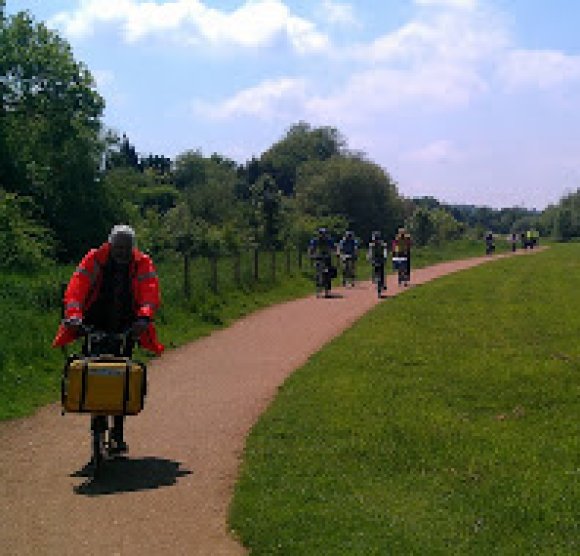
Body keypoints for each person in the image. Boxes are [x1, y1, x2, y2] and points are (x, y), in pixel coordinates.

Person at [53, 224, 164, 456]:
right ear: (110, 245)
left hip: (127, 326)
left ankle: (118, 432)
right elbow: (76, 289)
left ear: (132, 248)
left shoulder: (142, 263)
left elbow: (149, 292)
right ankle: (98, 421)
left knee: (122, 375)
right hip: (93, 324)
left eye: (126, 247)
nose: (122, 251)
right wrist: (73, 317)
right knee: (93, 371)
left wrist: (144, 318)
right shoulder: (94, 259)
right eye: (118, 247)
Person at [308, 227, 336, 292]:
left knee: (329, 270)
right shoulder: (315, 240)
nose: (322, 235)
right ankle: (318, 284)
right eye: (321, 233)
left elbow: (334, 248)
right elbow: (311, 248)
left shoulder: (329, 240)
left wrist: (336, 253)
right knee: (318, 270)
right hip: (318, 257)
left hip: (327, 257)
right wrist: (311, 255)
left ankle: (328, 287)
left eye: (324, 234)